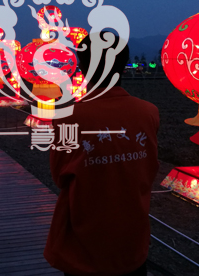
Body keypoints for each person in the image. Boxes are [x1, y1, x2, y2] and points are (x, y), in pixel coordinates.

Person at [44, 32, 160, 276]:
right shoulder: (149, 113)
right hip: (132, 241)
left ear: (83, 68)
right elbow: (149, 168)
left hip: (84, 247)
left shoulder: (67, 118)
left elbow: (60, 177)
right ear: (123, 66)